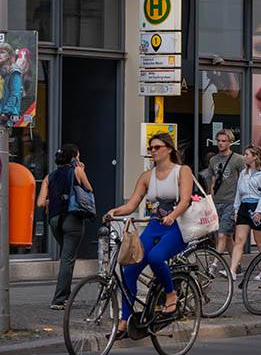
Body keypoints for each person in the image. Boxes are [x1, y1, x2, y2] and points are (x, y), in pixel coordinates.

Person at [103, 133, 193, 339]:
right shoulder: (147, 176)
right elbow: (132, 204)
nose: (153, 151)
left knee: (155, 257)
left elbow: (185, 200)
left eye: (157, 147)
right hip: (154, 226)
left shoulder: (182, 171)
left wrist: (172, 215)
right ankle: (125, 321)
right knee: (129, 271)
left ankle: (171, 294)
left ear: (169, 149)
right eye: (150, 148)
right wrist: (114, 212)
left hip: (176, 227)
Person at [37, 143, 93, 310]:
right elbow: (89, 189)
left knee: (66, 257)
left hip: (54, 220)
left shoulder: (49, 177)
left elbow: (40, 202)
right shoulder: (77, 171)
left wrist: (51, 200)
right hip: (72, 218)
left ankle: (64, 296)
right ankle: (59, 299)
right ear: (75, 158)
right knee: (67, 259)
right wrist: (82, 170)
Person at [229, 146, 261, 277]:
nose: (244, 157)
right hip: (244, 205)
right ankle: (232, 270)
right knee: (239, 240)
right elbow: (238, 192)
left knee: (260, 241)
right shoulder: (244, 173)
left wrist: (260, 212)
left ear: (254, 157)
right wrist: (236, 209)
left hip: (257, 205)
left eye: (247, 154)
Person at [205, 129, 245, 255]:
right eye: (218, 141)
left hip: (231, 201)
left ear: (230, 142)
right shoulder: (213, 160)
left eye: (224, 141)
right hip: (216, 201)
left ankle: (214, 266)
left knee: (222, 234)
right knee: (225, 236)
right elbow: (211, 180)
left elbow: (244, 179)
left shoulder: (238, 159)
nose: (220, 143)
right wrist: (210, 200)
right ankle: (235, 264)